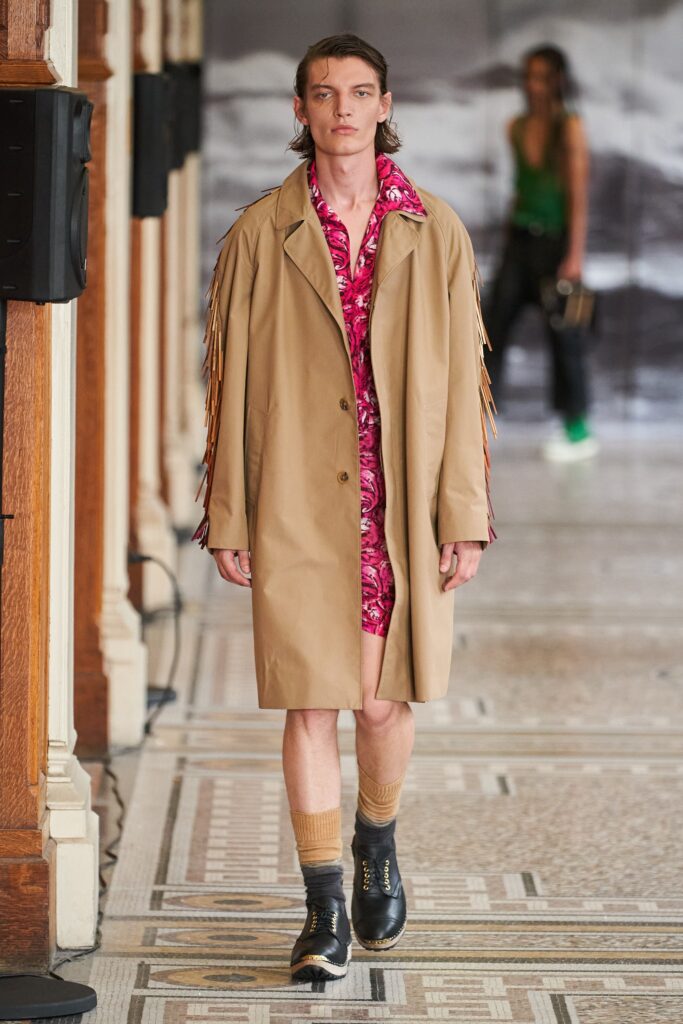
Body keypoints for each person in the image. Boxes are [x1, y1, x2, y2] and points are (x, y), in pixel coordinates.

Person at [193, 32, 496, 981]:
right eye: (323, 95)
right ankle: (322, 906)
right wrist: (230, 512)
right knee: (310, 697)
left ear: (384, 104)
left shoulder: (434, 229)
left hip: (399, 497)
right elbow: (232, 381)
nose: (343, 111)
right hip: (295, 494)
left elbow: (461, 380)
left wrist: (463, 511)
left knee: (380, 700)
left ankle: (377, 843)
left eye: (359, 93)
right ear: (300, 112)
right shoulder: (259, 233)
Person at [484, 44, 597, 461]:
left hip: (557, 245)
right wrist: (508, 239)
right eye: (529, 75)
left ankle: (577, 428)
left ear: (558, 81)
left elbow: (578, 195)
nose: (534, 84)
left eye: (542, 76)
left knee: (565, 336)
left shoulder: (569, 126)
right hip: (520, 241)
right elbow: (521, 188)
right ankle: (477, 417)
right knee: (490, 328)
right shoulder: (515, 126)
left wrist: (575, 257)